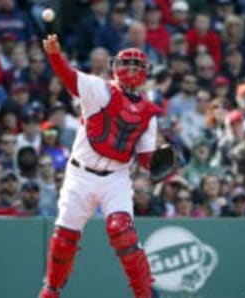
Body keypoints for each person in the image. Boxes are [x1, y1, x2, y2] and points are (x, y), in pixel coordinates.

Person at [39, 34, 160, 298]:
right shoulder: (100, 89)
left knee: (122, 231)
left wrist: (163, 162)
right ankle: (51, 291)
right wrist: (54, 55)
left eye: (137, 66)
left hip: (116, 176)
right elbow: (69, 77)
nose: (132, 70)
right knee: (64, 238)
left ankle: (145, 294)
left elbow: (146, 158)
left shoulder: (149, 113)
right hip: (80, 173)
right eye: (127, 64)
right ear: (116, 66)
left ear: (145, 72)